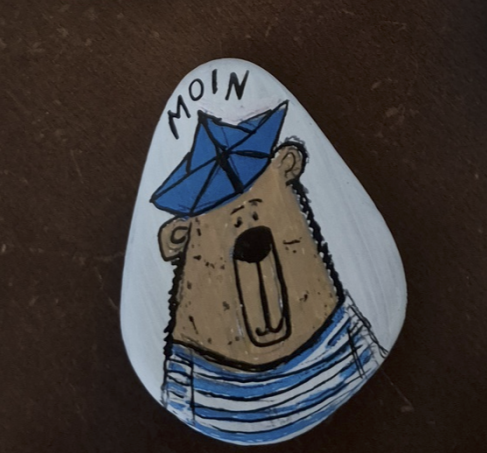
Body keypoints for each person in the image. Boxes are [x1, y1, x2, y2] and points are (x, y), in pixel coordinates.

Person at [151, 103, 384, 442]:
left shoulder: (350, 344)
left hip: (337, 361)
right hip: (216, 392)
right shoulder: (191, 394)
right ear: (177, 237)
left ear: (289, 163)